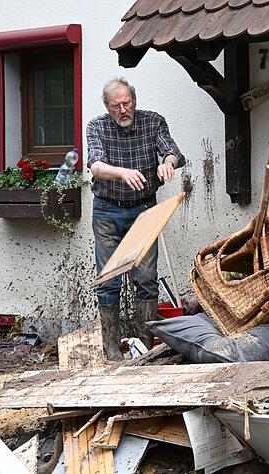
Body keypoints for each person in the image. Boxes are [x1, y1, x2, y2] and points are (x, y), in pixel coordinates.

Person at [86, 77, 185, 360]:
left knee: (146, 278)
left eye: (126, 103)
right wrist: (122, 172)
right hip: (107, 209)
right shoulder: (97, 126)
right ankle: (112, 349)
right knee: (108, 280)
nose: (123, 109)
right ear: (107, 107)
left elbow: (172, 151)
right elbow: (95, 165)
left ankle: (145, 347)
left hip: (144, 210)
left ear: (135, 101)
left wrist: (167, 163)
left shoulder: (153, 121)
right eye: (116, 106)